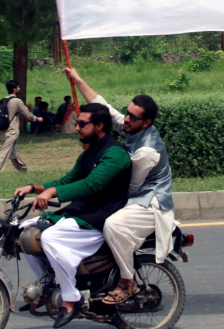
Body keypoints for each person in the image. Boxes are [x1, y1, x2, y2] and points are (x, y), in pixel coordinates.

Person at [13, 103, 132, 328]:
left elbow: (91, 185)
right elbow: (67, 181)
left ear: (100, 125)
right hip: (81, 213)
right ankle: (48, 286)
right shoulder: (89, 153)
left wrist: (53, 193)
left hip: (99, 218)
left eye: (82, 123)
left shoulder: (115, 153)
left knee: (49, 238)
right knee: (24, 231)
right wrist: (33, 187)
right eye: (77, 122)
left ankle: (71, 297)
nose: (77, 127)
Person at [64, 67, 175, 306]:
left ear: (146, 123)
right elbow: (104, 108)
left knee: (112, 223)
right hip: (137, 197)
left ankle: (127, 281)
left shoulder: (147, 151)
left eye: (133, 117)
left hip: (151, 202)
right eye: (127, 112)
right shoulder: (130, 126)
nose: (126, 118)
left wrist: (97, 189)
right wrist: (78, 79)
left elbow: (130, 187)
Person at [0, 80, 41, 173]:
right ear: (14, 89)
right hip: (12, 131)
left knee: (13, 152)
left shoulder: (3, 100)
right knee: (4, 152)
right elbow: (27, 114)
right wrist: (37, 119)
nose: (19, 88)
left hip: (2, 131)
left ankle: (23, 170)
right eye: (18, 87)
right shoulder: (17, 101)